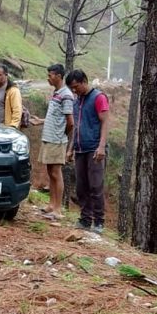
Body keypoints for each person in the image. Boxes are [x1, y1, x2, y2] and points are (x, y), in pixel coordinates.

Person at [65, 69, 109, 233]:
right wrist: (70, 149)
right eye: (72, 88)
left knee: (95, 186)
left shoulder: (98, 98)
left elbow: (105, 122)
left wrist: (102, 146)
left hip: (94, 149)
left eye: (76, 86)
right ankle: (85, 219)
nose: (74, 90)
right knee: (81, 186)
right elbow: (76, 126)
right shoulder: (77, 101)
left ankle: (99, 222)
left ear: (84, 81)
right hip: (80, 149)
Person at [40, 64, 74, 220]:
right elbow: (56, 117)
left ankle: (58, 209)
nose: (48, 78)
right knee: (50, 172)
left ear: (59, 76)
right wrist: (41, 121)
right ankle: (51, 205)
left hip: (57, 140)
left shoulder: (66, 95)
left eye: (51, 75)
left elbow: (70, 122)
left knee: (56, 173)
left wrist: (62, 136)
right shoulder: (56, 93)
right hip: (49, 138)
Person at [0, 65, 23, 129]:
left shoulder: (13, 90)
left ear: (6, 75)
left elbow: (17, 110)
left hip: (5, 128)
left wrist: (13, 126)